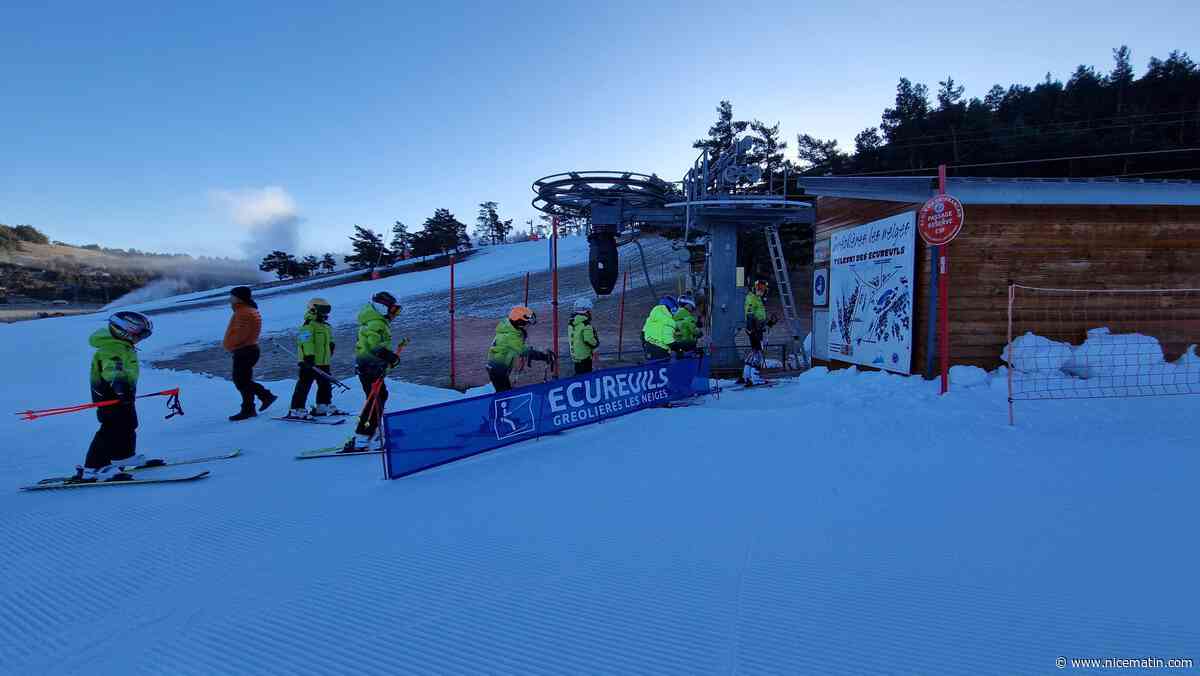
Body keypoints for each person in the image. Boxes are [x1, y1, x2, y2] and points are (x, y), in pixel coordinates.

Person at [74, 312, 154, 482]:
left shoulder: (122, 345)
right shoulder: (112, 348)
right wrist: (121, 389)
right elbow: (113, 370)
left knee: (129, 423)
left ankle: (123, 456)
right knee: (110, 429)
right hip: (109, 395)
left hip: (123, 395)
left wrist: (125, 392)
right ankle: (93, 467)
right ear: (125, 331)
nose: (140, 339)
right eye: (140, 334)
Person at [342, 291, 407, 452]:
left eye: (397, 311)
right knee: (374, 400)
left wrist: (387, 358)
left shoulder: (375, 320)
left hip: (371, 365)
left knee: (380, 396)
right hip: (369, 366)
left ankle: (374, 431)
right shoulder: (375, 323)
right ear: (383, 308)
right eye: (394, 311)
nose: (395, 315)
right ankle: (362, 438)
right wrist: (390, 357)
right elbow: (373, 345)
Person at [223, 286, 276, 420]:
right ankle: (249, 408)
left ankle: (264, 396)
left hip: (244, 350)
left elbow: (241, 334)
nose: (230, 299)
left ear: (239, 297)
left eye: (232, 296)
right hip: (249, 349)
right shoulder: (247, 310)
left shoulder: (243, 312)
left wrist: (230, 345)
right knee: (244, 380)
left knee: (241, 381)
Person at [486, 305, 556, 392]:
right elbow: (525, 351)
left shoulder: (509, 328)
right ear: (520, 323)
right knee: (503, 395)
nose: (528, 326)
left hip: (499, 367)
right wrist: (544, 356)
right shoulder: (510, 336)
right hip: (497, 369)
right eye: (527, 324)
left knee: (505, 392)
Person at [287, 297, 336, 419]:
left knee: (325, 383)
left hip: (323, 361)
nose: (325, 313)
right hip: (309, 362)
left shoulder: (325, 326)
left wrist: (331, 347)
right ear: (314, 310)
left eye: (327, 310)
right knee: (304, 384)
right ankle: (296, 408)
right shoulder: (308, 325)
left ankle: (322, 405)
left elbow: (329, 340)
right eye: (322, 310)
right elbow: (305, 342)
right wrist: (308, 357)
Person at [743, 279, 777, 386]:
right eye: (759, 287)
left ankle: (747, 375)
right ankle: (755, 377)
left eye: (763, 288)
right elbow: (750, 314)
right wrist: (751, 328)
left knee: (754, 351)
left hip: (757, 328)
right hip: (754, 330)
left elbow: (760, 316)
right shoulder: (752, 298)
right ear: (755, 286)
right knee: (758, 352)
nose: (761, 290)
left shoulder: (757, 299)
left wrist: (770, 323)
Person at [568, 297, 599, 375]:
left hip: (575, 356)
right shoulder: (586, 325)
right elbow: (588, 340)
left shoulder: (571, 323)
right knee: (586, 377)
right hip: (585, 357)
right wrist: (596, 343)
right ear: (586, 311)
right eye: (590, 311)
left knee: (578, 374)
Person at [642, 296, 678, 360]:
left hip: (648, 349)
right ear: (670, 308)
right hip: (661, 353)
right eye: (674, 310)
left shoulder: (651, 318)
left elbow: (642, 334)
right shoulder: (668, 321)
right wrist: (680, 349)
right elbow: (669, 342)